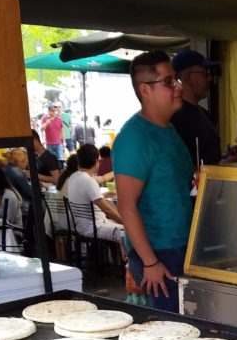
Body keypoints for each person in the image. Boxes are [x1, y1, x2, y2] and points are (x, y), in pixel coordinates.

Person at [114, 50, 195, 313]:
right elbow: (126, 206)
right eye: (169, 82)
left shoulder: (168, 129)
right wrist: (150, 263)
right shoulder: (134, 138)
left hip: (183, 247)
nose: (178, 87)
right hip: (159, 254)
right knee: (170, 332)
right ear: (145, 90)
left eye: (176, 79)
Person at [59, 144, 125, 254]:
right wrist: (125, 222)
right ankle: (123, 267)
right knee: (127, 232)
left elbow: (86, 197)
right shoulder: (88, 180)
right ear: (96, 161)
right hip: (95, 227)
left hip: (82, 226)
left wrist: (105, 195)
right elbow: (107, 210)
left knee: (117, 224)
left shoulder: (73, 177)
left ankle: (114, 264)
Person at [170, 48, 223, 166]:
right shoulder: (177, 118)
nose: (209, 78)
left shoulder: (203, 113)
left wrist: (225, 157)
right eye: (204, 73)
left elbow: (207, 157)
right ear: (187, 77)